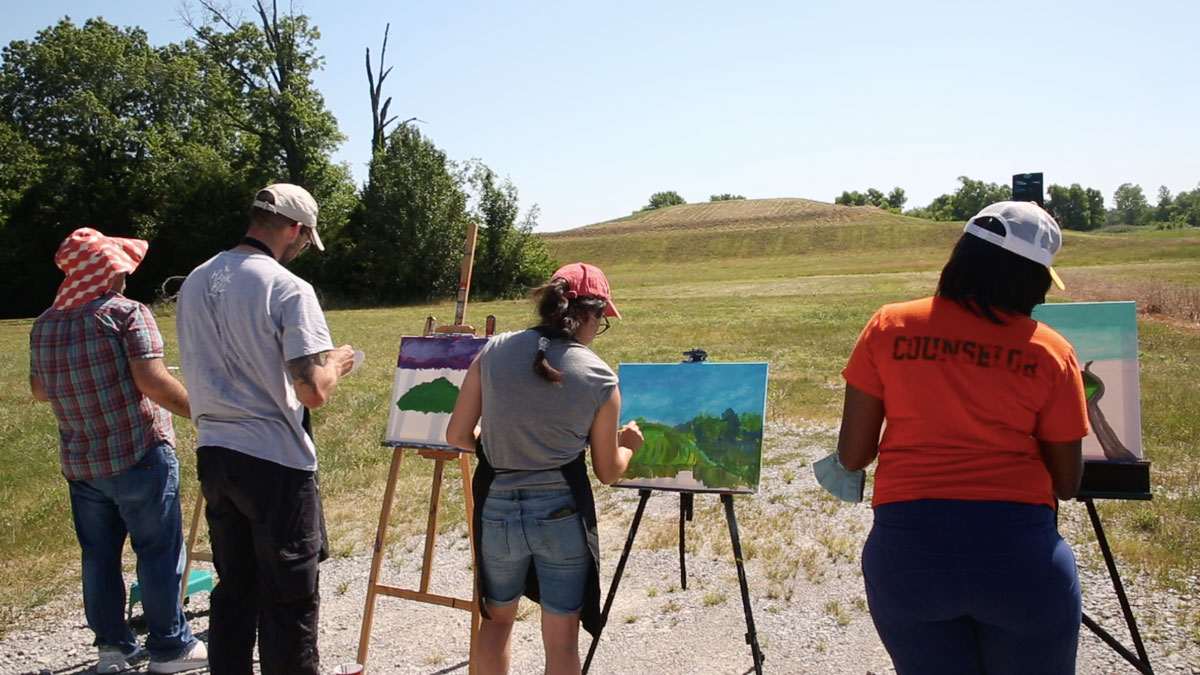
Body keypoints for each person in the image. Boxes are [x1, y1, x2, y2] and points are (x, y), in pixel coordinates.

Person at [836, 201, 1090, 674]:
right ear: (1031, 278)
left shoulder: (889, 325)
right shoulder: (1052, 350)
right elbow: (1067, 483)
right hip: (1020, 559)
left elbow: (853, 455)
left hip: (908, 557)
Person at [175, 183, 355, 675]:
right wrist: (339, 362)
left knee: (234, 589)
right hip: (274, 460)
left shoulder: (194, 279)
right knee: (289, 599)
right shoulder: (287, 287)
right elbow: (312, 388)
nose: (300, 251)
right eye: (304, 240)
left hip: (214, 451)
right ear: (295, 228)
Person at [446, 262, 644, 675]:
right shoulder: (600, 376)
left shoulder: (494, 350)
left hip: (497, 507)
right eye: (602, 321)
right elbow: (607, 471)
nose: (598, 330)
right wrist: (629, 448)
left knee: (496, 621)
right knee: (561, 639)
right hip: (561, 513)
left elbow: (457, 435)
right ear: (589, 313)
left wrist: (490, 438)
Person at [29, 228, 208, 674]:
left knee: (99, 556)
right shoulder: (126, 314)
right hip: (138, 452)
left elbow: (38, 390)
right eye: (123, 267)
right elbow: (152, 381)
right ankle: (170, 647)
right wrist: (203, 415)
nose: (128, 275)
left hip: (82, 461)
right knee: (158, 551)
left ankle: (112, 648)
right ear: (111, 270)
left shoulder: (45, 323)